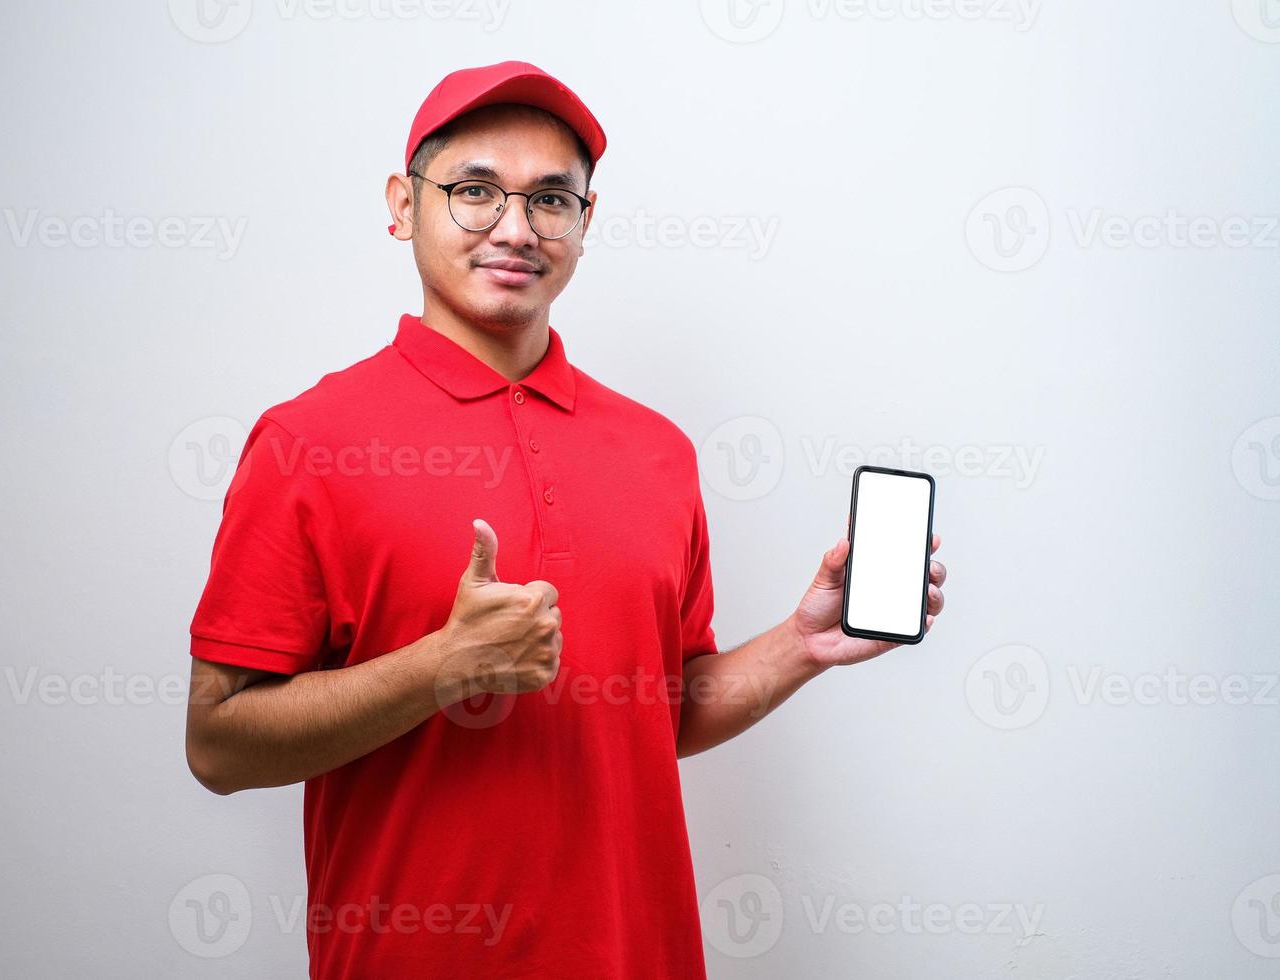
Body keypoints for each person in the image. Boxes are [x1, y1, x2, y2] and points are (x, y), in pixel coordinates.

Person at [183, 59, 948, 979]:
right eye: (474, 191)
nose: (515, 228)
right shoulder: (307, 443)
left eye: (552, 200)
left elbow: (656, 712)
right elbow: (218, 744)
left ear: (586, 225)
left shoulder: (658, 452)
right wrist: (439, 669)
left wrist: (801, 643)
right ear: (401, 203)